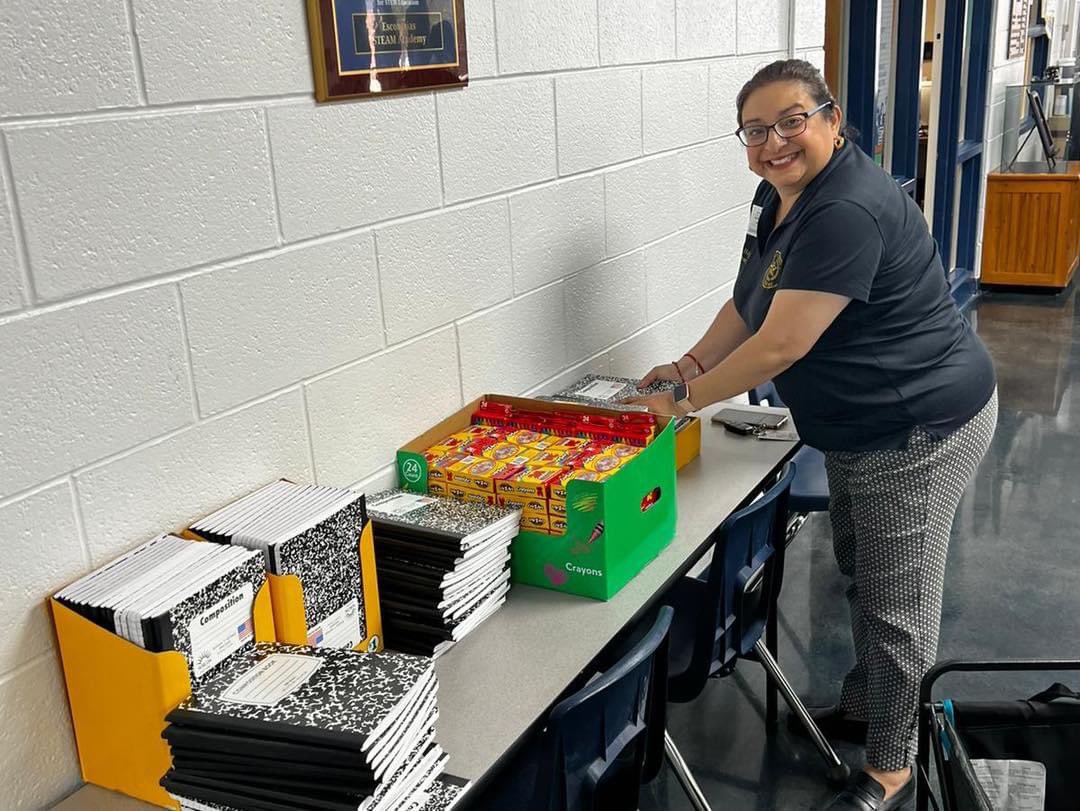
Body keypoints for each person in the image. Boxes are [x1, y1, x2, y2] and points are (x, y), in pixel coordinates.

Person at [629, 59, 997, 811]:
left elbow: (781, 345)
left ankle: (894, 763)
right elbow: (752, 302)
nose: (774, 142)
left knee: (899, 598)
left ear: (832, 119)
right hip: (861, 425)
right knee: (865, 567)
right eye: (756, 130)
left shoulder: (844, 210)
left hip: (916, 427)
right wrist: (690, 362)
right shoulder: (780, 197)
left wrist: (686, 400)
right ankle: (870, 705)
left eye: (792, 120)